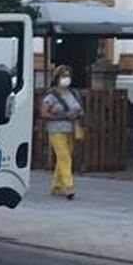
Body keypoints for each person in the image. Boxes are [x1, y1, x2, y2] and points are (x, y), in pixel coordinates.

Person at [41, 66, 84, 199]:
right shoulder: (51, 96)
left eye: (68, 76)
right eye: (63, 76)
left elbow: (80, 109)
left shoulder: (74, 93)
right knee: (64, 157)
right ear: (57, 78)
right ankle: (68, 186)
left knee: (64, 158)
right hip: (56, 130)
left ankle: (56, 186)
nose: (66, 79)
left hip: (71, 129)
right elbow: (44, 113)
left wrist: (77, 114)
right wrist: (64, 116)